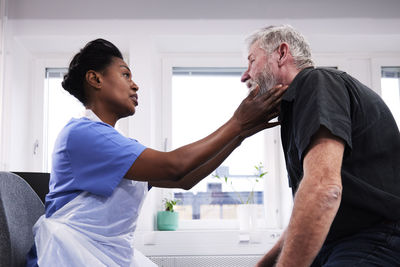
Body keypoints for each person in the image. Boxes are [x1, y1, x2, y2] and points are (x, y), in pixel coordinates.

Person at [26, 38, 286, 266]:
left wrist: (240, 135)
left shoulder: (114, 145)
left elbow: (184, 180)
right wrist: (237, 123)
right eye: (126, 75)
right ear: (95, 79)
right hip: (67, 254)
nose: (135, 85)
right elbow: (174, 166)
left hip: (103, 254)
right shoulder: (82, 134)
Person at [240, 25, 400, 267]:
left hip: (374, 238)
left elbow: (324, 189)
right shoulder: (297, 109)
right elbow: (309, 207)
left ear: (282, 53)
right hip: (339, 240)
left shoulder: (315, 82)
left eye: (251, 61)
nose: (245, 75)